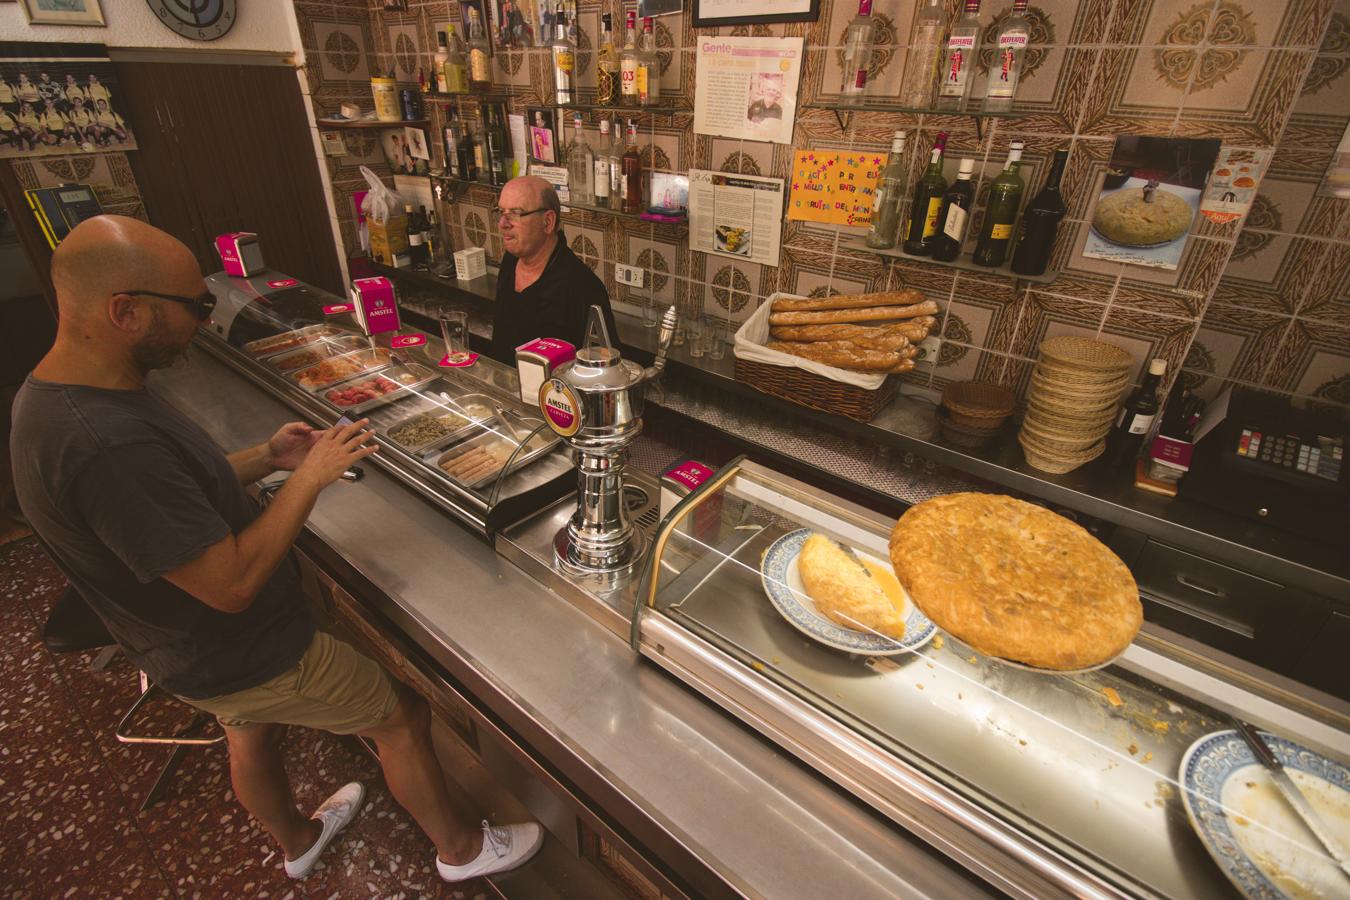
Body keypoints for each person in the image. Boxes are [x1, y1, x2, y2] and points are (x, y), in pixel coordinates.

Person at [9, 216, 545, 883]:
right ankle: (463, 850)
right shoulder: (103, 444)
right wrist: (312, 477)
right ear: (124, 310)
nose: (204, 322)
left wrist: (266, 456)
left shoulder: (65, 397)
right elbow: (230, 583)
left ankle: (297, 842)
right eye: (193, 306)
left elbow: (173, 498)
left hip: (182, 650)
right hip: (238, 646)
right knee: (400, 717)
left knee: (249, 733)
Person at [488, 175, 618, 363]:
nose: (503, 224)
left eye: (515, 213)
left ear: (547, 222)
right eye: (501, 212)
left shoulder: (581, 286)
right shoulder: (510, 261)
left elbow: (605, 364)